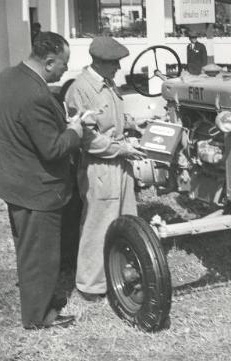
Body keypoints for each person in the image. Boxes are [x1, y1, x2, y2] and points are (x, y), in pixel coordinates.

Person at [0, 32, 83, 329]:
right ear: (49, 61)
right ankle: (39, 316)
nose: (66, 69)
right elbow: (52, 149)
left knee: (28, 248)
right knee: (41, 254)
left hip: (12, 179)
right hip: (35, 187)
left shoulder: (7, 77)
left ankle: (38, 298)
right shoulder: (37, 95)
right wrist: (75, 132)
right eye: (64, 64)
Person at [65, 36, 144, 301]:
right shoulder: (80, 89)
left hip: (120, 163)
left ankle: (120, 274)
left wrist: (134, 125)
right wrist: (123, 149)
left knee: (126, 220)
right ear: (99, 62)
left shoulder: (107, 84)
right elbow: (88, 139)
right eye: (114, 64)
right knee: (98, 224)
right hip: (100, 167)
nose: (118, 68)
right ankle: (91, 285)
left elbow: (114, 118)